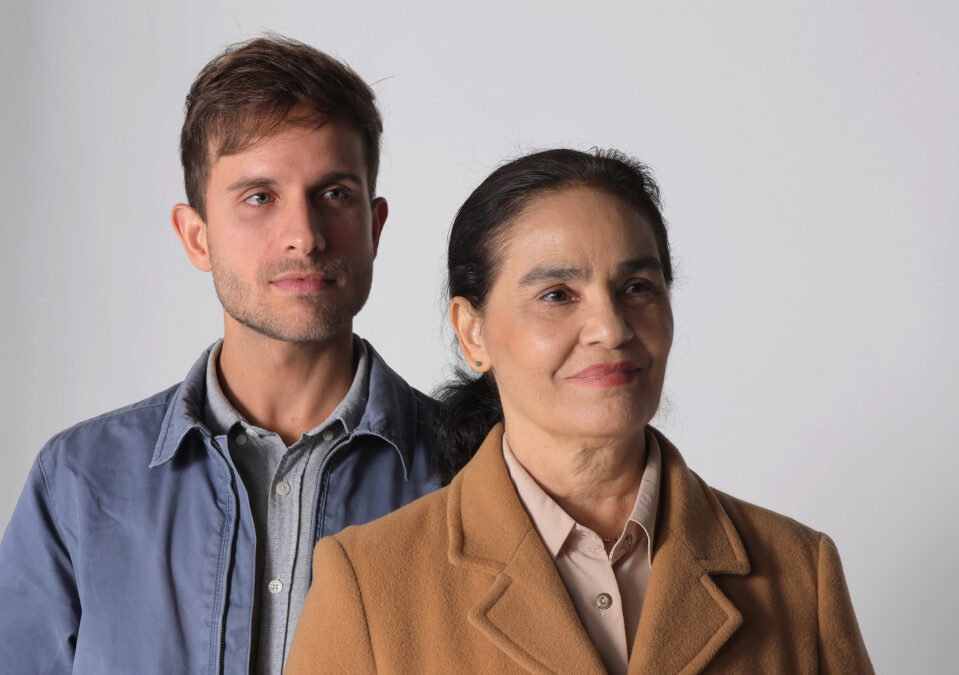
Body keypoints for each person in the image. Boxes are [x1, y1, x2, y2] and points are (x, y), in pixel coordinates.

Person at [285, 148, 874, 674]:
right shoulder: (366, 583)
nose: (611, 329)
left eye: (638, 287)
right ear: (473, 333)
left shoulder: (799, 570)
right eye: (557, 296)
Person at [0, 35, 440, 674]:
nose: (304, 236)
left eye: (335, 194)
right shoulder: (76, 483)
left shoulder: (470, 474)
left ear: (375, 226)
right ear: (196, 235)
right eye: (260, 197)